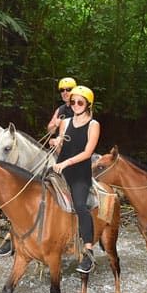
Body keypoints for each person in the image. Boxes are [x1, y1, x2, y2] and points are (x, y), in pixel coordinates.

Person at [0, 76, 77, 256]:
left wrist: (62, 140)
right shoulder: (61, 109)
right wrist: (53, 126)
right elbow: (50, 128)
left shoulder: (81, 107)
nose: (65, 93)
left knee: (74, 185)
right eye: (62, 90)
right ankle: (14, 235)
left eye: (68, 89)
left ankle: (78, 228)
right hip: (56, 152)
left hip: (73, 154)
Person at [52, 85, 101, 273]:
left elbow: (88, 152)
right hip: (60, 169)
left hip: (79, 172)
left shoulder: (93, 125)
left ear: (88, 104)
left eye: (80, 102)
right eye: (72, 102)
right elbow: (61, 147)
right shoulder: (65, 122)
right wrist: (56, 142)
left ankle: (88, 251)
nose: (75, 105)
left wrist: (66, 163)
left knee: (80, 205)